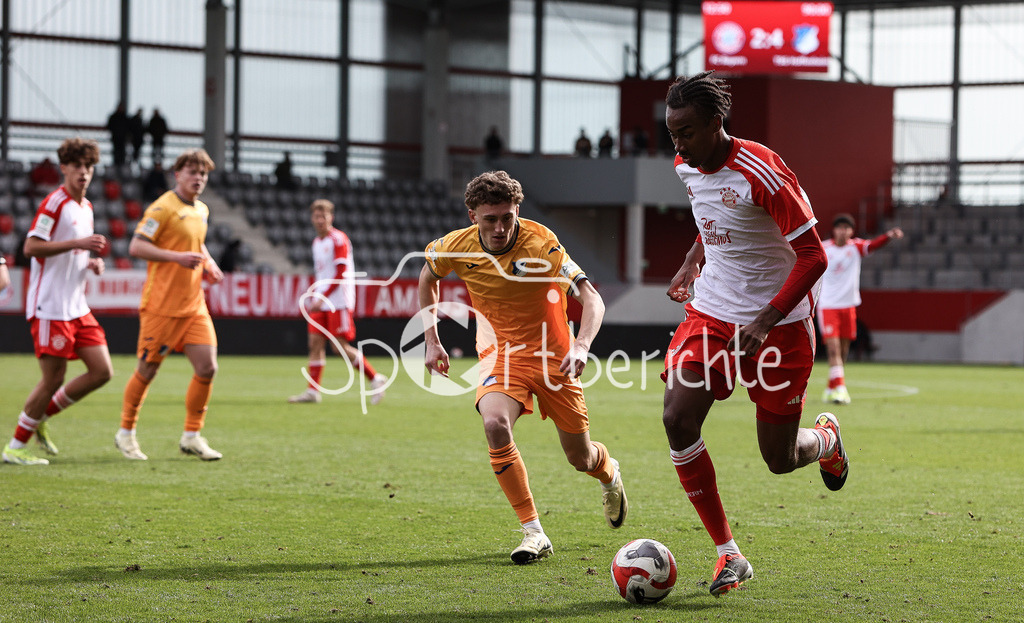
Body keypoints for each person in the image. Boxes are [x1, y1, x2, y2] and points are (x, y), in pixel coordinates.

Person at [661, 71, 848, 596]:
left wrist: (764, 319)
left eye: (688, 131)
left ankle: (827, 439)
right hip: (714, 311)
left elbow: (814, 257)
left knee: (779, 460)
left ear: (717, 122)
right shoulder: (686, 165)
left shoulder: (762, 172)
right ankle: (729, 553)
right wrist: (690, 262)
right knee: (678, 417)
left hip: (780, 326)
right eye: (672, 132)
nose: (678, 144)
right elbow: (710, 219)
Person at [417, 170, 627, 565]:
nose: (499, 228)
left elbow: (591, 298)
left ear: (518, 211)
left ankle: (608, 471)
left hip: (556, 360)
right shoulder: (454, 247)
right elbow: (428, 276)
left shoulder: (542, 244)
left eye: (507, 218)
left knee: (580, 458)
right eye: (489, 219)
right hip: (501, 356)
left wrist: (581, 346)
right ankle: (533, 531)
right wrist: (432, 339)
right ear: (471, 216)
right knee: (494, 424)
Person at [3, 138, 112, 466]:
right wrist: (78, 243)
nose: (83, 172)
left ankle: (37, 417)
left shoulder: (86, 207)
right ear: (63, 167)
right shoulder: (55, 203)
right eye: (77, 165)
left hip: (77, 306)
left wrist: (89, 262)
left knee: (102, 371)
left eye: (88, 166)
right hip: (50, 306)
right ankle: (14, 448)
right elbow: (31, 247)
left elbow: (73, 253)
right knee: (53, 378)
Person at [114, 149, 225, 462]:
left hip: (193, 305)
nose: (198, 178)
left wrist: (209, 263)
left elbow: (196, 243)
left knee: (207, 367)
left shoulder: (202, 210)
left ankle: (192, 435)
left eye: (203, 173)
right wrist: (177, 258)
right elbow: (136, 245)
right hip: (161, 306)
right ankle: (125, 433)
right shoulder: (162, 207)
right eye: (192, 172)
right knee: (147, 371)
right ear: (178, 174)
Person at [289, 199, 387, 405]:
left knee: (339, 346)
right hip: (321, 300)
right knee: (314, 343)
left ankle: (375, 378)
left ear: (330, 218)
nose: (319, 220)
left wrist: (323, 296)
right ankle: (312, 391)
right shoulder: (317, 243)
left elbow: (341, 273)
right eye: (316, 216)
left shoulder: (338, 239)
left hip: (338, 301)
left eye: (323, 216)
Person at [818, 213, 903, 404]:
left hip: (848, 306)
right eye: (839, 227)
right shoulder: (824, 248)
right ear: (834, 230)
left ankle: (831, 387)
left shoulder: (855, 247)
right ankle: (840, 389)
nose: (843, 231)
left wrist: (888, 236)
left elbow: (872, 245)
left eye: (846, 228)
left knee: (844, 349)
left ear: (851, 231)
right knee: (833, 348)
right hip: (828, 305)